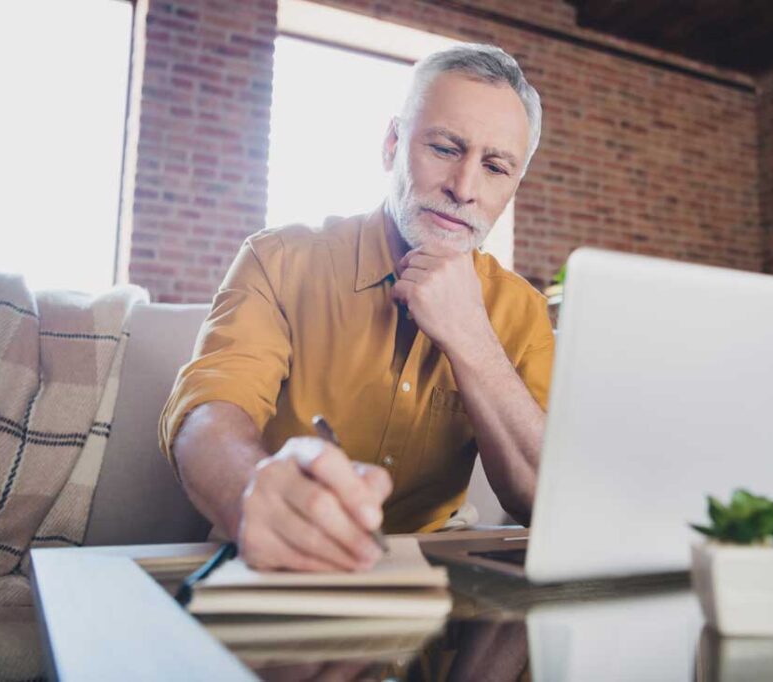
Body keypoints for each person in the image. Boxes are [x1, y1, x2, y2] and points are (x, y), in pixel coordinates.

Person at [159, 44, 554, 572]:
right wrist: (250, 491)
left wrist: (473, 341)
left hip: (435, 585)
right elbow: (208, 413)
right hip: (279, 569)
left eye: (495, 167)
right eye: (443, 148)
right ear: (392, 145)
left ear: (513, 186)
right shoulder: (277, 260)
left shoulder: (523, 310)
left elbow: (545, 499)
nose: (464, 188)